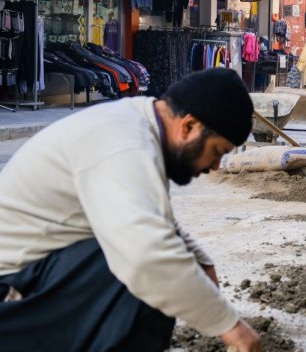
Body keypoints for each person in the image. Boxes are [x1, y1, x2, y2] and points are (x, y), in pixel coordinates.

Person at [0, 68, 263, 352]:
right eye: (218, 151)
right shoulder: (124, 143)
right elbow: (146, 255)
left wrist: (200, 259)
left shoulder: (137, 125)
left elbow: (154, 218)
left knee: (167, 260)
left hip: (36, 276)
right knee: (146, 270)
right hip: (11, 294)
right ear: (188, 126)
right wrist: (230, 327)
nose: (215, 166)